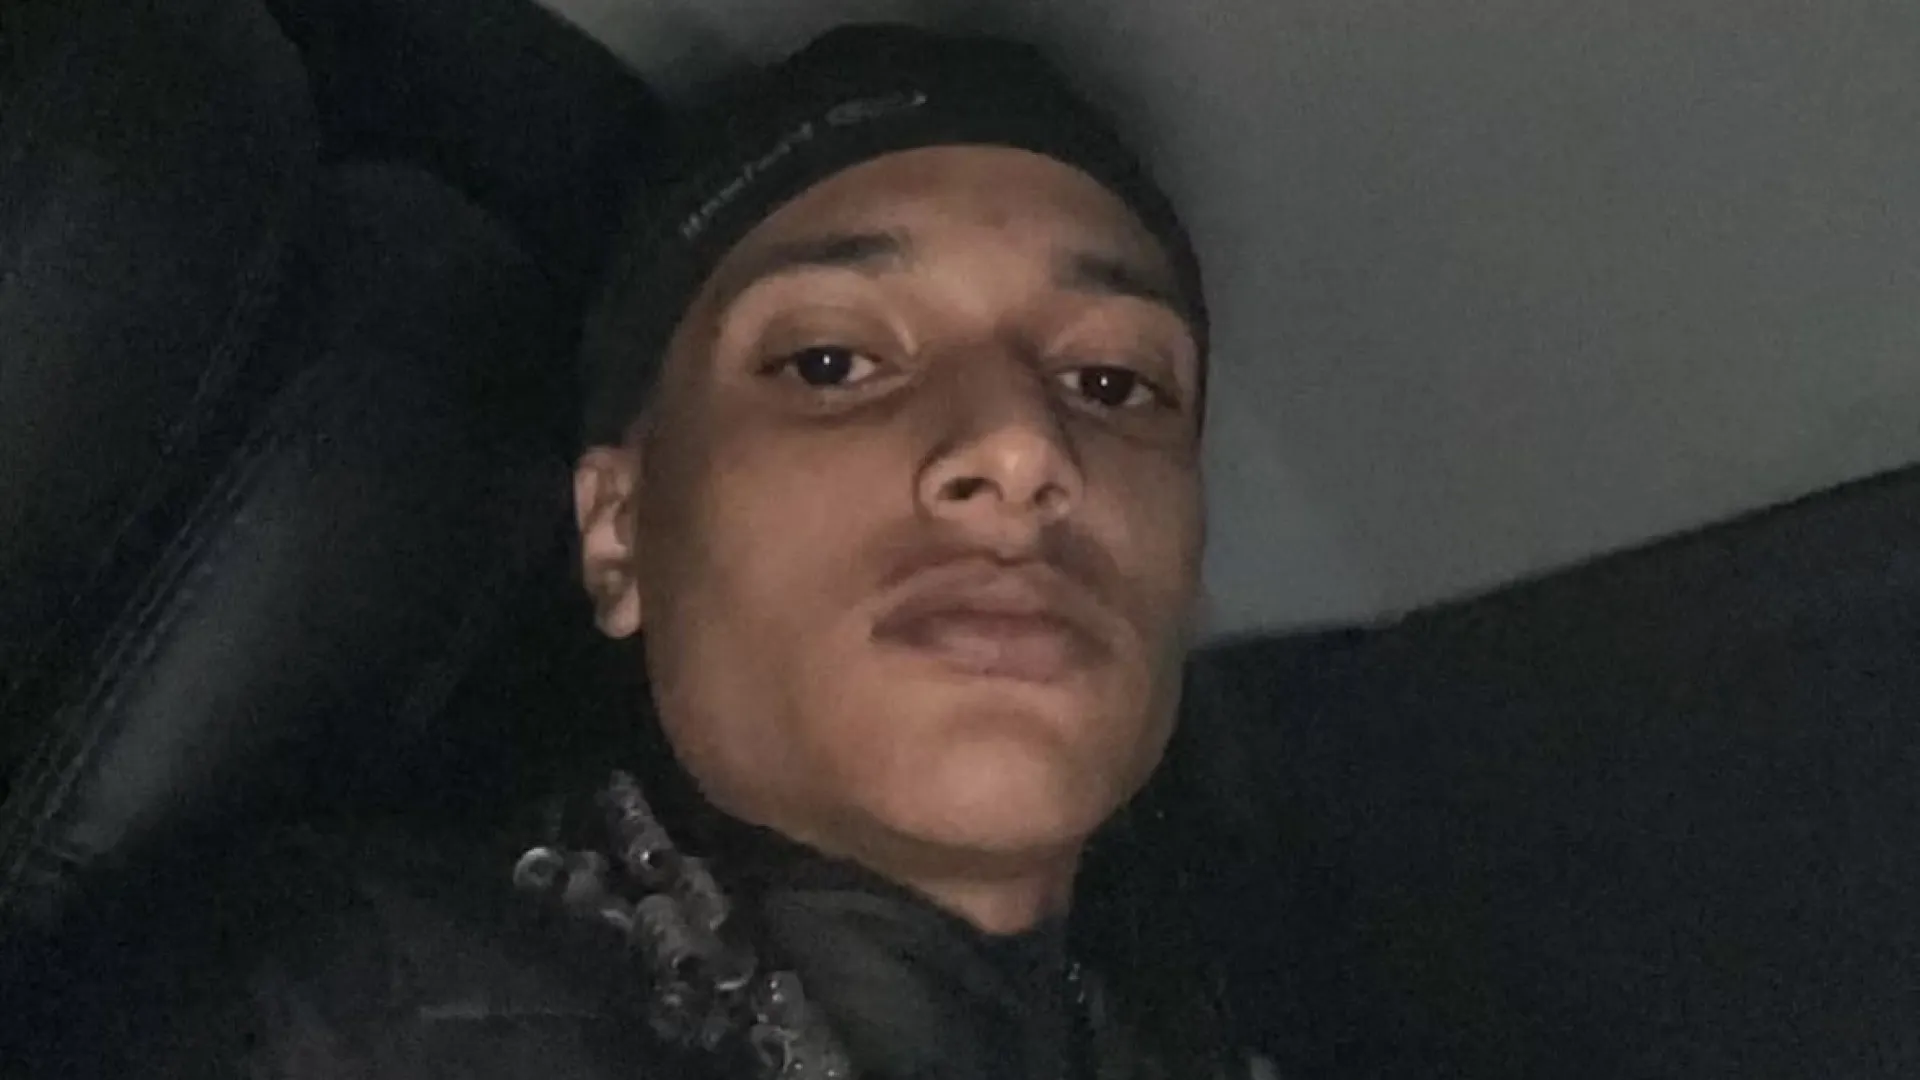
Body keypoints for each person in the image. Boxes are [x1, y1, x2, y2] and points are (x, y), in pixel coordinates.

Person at [34, 23, 1263, 1080]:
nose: (1022, 444)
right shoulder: (342, 1026)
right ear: (620, 532)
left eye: (1115, 382)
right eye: (830, 363)